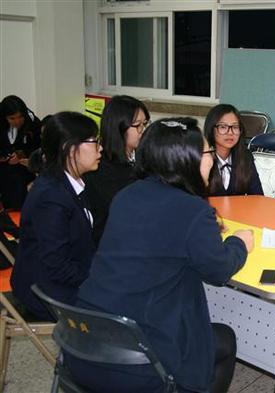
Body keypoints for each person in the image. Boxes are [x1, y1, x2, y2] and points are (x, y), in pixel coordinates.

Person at [68, 118, 254, 393]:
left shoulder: (127, 195)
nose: (212, 161)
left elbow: (155, 240)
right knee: (223, 340)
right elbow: (218, 270)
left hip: (85, 344)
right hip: (138, 362)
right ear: (185, 159)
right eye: (207, 153)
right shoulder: (193, 210)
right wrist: (239, 243)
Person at [10, 112, 102, 320]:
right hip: (47, 291)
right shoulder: (51, 197)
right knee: (125, 305)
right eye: (95, 142)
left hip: (65, 277)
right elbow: (57, 266)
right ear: (69, 149)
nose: (100, 149)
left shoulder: (70, 183)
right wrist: (100, 279)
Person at [84, 95, 150, 245]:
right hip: (113, 243)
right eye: (137, 125)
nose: (143, 130)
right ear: (118, 126)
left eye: (145, 124)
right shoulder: (100, 168)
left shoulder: (143, 158)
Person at [203, 104, 263, 196]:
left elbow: (257, 196)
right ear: (211, 129)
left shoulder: (245, 156)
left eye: (235, 127)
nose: (230, 133)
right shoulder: (202, 158)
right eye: (223, 127)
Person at [0, 95, 41, 209]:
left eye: (20, 117)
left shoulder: (33, 123)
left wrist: (21, 155)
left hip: (25, 167)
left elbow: (39, 147)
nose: (17, 121)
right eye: (12, 118)